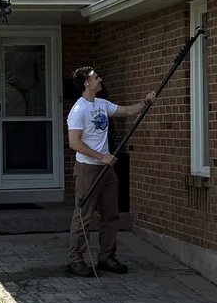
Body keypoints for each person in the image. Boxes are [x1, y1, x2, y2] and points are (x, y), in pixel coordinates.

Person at [66, 66, 155, 276]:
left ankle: (107, 257)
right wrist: (101, 156)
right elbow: (74, 143)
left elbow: (127, 111)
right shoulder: (79, 111)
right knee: (83, 216)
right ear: (87, 83)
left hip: (106, 171)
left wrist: (146, 102)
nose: (100, 79)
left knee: (110, 215)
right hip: (88, 169)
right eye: (96, 77)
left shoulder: (102, 104)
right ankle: (75, 260)